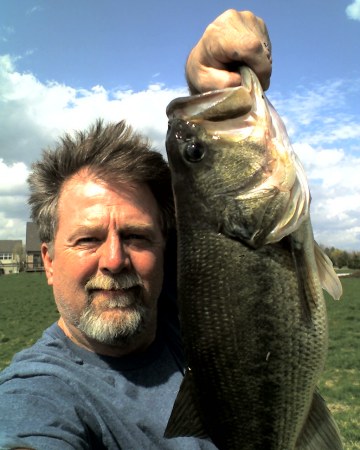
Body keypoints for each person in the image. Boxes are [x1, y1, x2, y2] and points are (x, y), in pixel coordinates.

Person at [0, 9, 272, 450]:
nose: (113, 260)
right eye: (87, 239)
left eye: (136, 236)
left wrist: (206, 86)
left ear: (166, 245)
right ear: (47, 260)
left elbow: (224, 218)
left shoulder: (181, 313)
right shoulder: (38, 395)